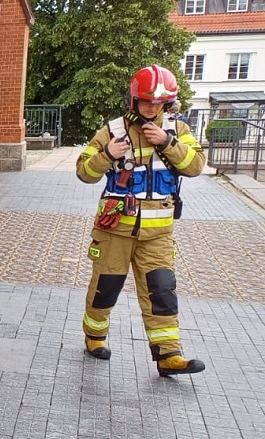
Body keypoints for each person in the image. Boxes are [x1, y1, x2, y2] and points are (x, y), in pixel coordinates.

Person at [75, 64, 207, 377]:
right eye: (146, 100)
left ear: (167, 103)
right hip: (115, 231)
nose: (151, 107)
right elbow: (84, 172)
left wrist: (167, 142)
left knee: (162, 292)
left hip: (158, 234)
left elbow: (196, 166)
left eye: (158, 102)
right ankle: (94, 336)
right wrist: (107, 154)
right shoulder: (113, 130)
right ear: (134, 100)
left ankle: (168, 355)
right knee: (105, 288)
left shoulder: (177, 130)